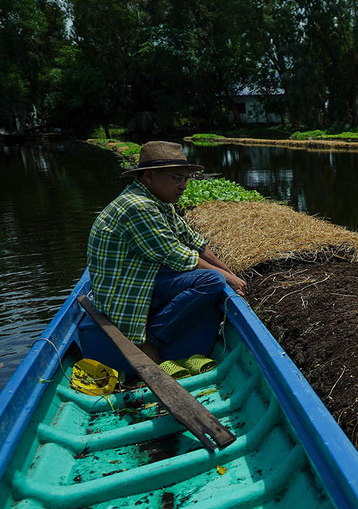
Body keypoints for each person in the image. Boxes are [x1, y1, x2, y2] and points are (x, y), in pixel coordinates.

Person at [79, 141, 247, 373]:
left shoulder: (159, 201)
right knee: (212, 280)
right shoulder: (138, 207)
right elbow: (179, 256)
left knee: (216, 276)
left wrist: (231, 273)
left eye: (186, 178)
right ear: (149, 177)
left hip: (145, 273)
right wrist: (225, 278)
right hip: (126, 290)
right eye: (177, 178)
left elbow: (195, 244)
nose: (183, 186)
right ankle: (151, 339)